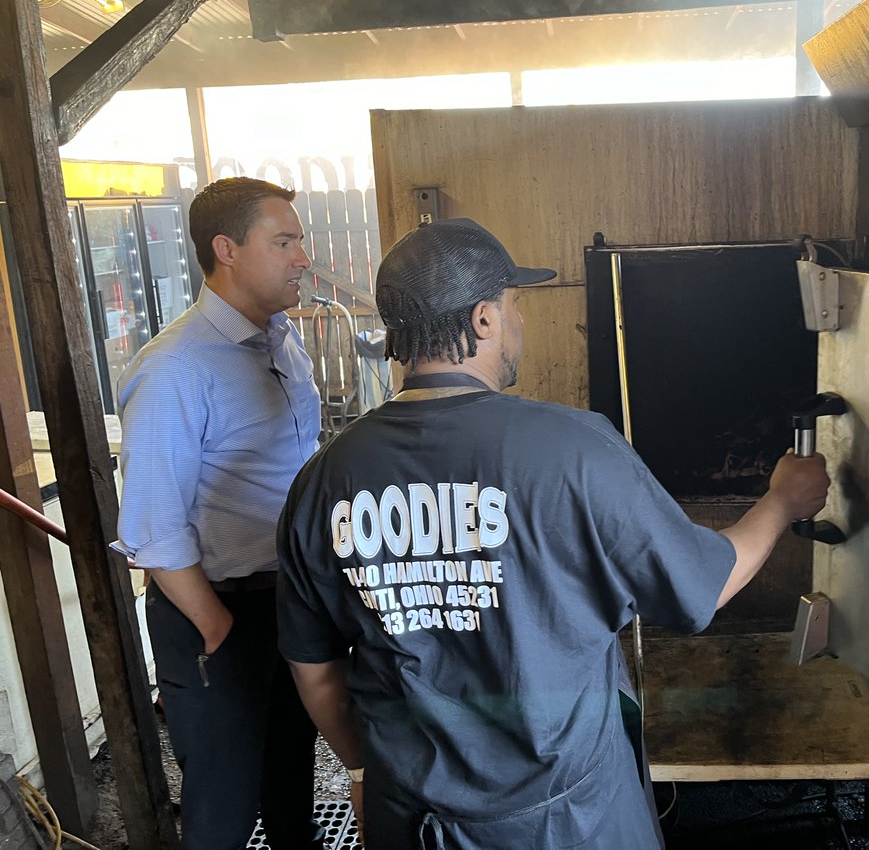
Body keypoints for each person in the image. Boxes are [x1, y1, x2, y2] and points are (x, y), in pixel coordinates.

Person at [275, 217, 830, 849]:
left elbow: (314, 667)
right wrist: (783, 502)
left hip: (415, 818)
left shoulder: (324, 479)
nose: (518, 324)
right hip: (569, 821)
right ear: (483, 319)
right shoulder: (573, 449)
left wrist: (364, 769)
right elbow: (706, 582)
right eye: (513, 307)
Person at [115, 177, 325, 850]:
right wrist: (216, 626)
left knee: (290, 773)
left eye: (300, 241)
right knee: (222, 805)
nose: (302, 258)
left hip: (287, 599)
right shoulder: (175, 368)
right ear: (226, 250)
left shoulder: (281, 341)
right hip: (217, 608)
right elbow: (151, 525)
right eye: (284, 241)